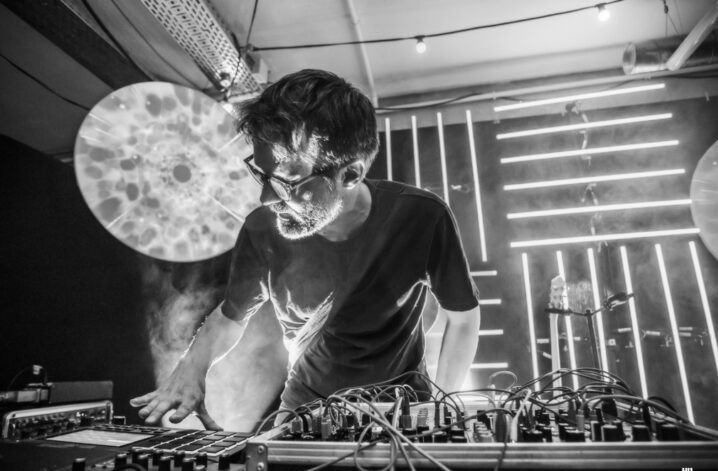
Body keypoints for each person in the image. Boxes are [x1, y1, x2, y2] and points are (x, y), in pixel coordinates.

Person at [130, 69, 480, 429]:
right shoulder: (261, 230)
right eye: (262, 175)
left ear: (350, 175)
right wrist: (191, 368)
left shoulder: (422, 217)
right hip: (304, 410)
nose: (267, 199)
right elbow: (231, 316)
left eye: (288, 182)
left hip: (402, 409)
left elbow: (464, 319)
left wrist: (443, 406)